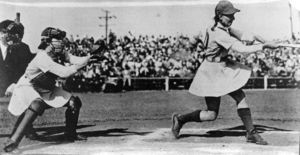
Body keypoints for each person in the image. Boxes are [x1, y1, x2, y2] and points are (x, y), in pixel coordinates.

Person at [171, 0, 278, 145]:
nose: (232, 18)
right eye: (229, 16)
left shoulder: (217, 27)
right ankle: (180, 119)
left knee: (240, 97)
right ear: (220, 15)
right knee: (211, 114)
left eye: (233, 15)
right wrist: (264, 46)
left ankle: (251, 132)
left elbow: (245, 35)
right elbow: (242, 49)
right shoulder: (220, 34)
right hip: (212, 72)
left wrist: (263, 40)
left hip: (221, 67)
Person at [3, 27, 92, 152]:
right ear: (47, 41)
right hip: (28, 86)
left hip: (45, 87)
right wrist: (83, 64)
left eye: (61, 39)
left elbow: (74, 60)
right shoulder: (42, 57)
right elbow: (64, 72)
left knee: (74, 102)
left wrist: (91, 57)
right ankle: (12, 143)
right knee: (37, 105)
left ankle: (70, 134)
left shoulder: (59, 52)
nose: (61, 41)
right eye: (58, 39)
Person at [0, 19, 38, 140]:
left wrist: (15, 85)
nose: (16, 38)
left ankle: (27, 128)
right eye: (11, 34)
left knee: (28, 94)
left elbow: (25, 72)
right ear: (1, 33)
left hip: (14, 85)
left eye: (18, 35)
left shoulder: (22, 48)